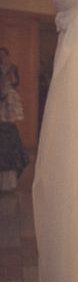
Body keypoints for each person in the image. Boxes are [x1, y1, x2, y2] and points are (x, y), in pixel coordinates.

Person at [0, 47, 27, 191]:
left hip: (9, 101)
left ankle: (9, 180)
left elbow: (16, 83)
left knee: (9, 132)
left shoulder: (12, 68)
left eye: (4, 55)